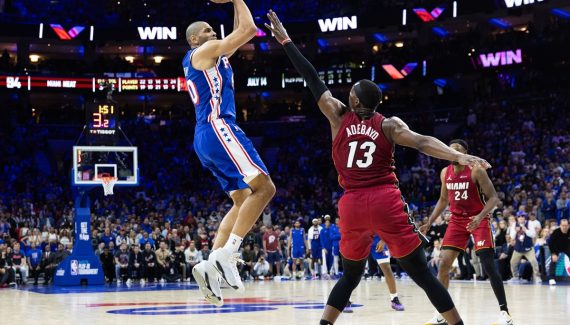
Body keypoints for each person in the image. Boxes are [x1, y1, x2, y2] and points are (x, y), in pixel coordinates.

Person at [265, 11, 491, 325]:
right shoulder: (389, 125)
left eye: (352, 92)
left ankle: (324, 324)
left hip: (353, 203)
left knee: (351, 274)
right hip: (385, 200)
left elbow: (313, 78)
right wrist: (458, 157)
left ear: (356, 102)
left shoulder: (337, 116)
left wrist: (287, 41)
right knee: (423, 274)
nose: (348, 94)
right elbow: (424, 142)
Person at [184, 0, 276, 306]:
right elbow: (249, 29)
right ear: (194, 39)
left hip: (206, 137)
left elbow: (240, 30)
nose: (213, 32)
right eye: (207, 30)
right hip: (218, 127)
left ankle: (211, 265)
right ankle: (227, 254)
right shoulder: (202, 52)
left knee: (241, 200)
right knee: (265, 187)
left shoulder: (217, 56)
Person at [420, 139, 512, 325]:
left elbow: (494, 198)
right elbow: (443, 200)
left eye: (458, 150)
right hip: (456, 221)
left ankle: (505, 313)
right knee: (444, 265)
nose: (454, 152)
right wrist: (429, 222)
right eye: (451, 149)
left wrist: (479, 217)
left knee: (488, 265)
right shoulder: (445, 173)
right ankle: (442, 314)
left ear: (465, 154)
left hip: (478, 219)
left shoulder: (477, 170)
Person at [371, 235, 404, 311]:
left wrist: (383, 239)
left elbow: (388, 224)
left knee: (387, 270)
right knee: (354, 271)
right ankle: (346, 300)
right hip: (360, 238)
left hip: (377, 239)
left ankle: (394, 299)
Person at [548, 218, 570, 285]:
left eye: (566, 225)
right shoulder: (555, 232)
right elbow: (551, 243)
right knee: (553, 260)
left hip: (568, 248)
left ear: (568, 226)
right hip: (557, 248)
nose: (564, 227)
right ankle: (551, 278)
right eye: (563, 225)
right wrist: (553, 254)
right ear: (560, 225)